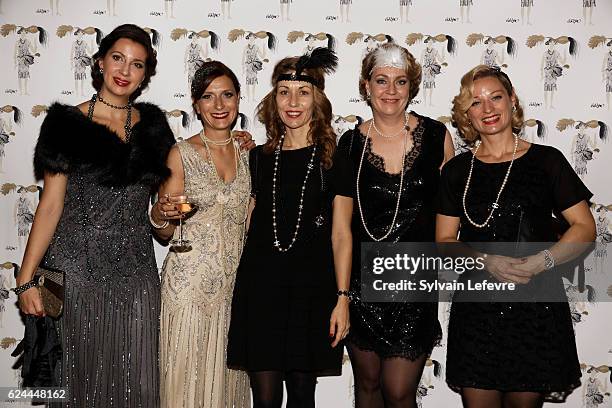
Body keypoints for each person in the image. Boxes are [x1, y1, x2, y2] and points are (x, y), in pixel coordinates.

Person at [14, 24, 173, 406]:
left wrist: (166, 215)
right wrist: (25, 277)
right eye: (117, 58)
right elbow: (50, 205)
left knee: (139, 387)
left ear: (145, 74)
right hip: (67, 274)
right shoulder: (65, 122)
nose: (124, 70)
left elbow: (164, 224)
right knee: (66, 384)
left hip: (137, 276)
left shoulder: (154, 129)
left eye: (137, 64)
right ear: (100, 62)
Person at [436, 65, 596, 407]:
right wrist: (484, 261)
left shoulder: (546, 161)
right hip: (477, 311)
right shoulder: (456, 172)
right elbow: (444, 241)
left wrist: (543, 261)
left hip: (535, 309)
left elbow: (584, 227)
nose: (488, 109)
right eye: (476, 103)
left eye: (496, 98)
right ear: (467, 114)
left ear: (513, 101)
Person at [227, 48, 353, 408]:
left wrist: (342, 299)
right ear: (273, 99)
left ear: (318, 100)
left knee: (301, 396)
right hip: (261, 288)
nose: (293, 101)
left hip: (311, 291)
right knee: (264, 400)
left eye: (303, 93)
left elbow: (342, 235)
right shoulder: (257, 157)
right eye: (284, 92)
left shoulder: (333, 160)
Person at [337, 43, 454, 408]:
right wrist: (342, 296)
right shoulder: (350, 144)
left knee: (400, 393)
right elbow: (341, 229)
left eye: (400, 82)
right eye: (381, 80)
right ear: (366, 86)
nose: (390, 91)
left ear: (411, 87)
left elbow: (451, 215)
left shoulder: (438, 138)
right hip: (361, 286)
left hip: (415, 284)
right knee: (368, 386)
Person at [150, 61, 251, 408]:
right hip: (188, 288)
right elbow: (165, 231)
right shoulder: (180, 154)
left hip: (235, 289)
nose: (219, 105)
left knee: (227, 385)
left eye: (227, 95)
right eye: (208, 97)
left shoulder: (250, 153)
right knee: (183, 385)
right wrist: (160, 215)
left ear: (239, 99)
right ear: (195, 104)